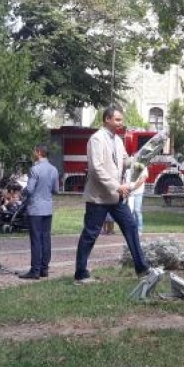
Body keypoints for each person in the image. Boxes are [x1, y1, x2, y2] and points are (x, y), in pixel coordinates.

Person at [73, 105, 150, 285]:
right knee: (90, 234)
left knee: (131, 227)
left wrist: (141, 159)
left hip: (116, 198)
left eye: (121, 120)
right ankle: (80, 274)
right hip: (99, 198)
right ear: (107, 119)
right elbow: (96, 169)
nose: (121, 123)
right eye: (117, 120)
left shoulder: (117, 140)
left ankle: (142, 268)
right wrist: (117, 187)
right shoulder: (97, 139)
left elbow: (125, 161)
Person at [19, 144, 60, 280]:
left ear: (38, 152)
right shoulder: (54, 169)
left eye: (34, 151)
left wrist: (22, 192)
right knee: (46, 238)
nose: (33, 153)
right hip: (47, 208)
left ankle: (35, 270)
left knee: (36, 239)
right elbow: (56, 190)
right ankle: (44, 269)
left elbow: (29, 189)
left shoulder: (34, 169)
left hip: (35, 208)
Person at [124, 162, 148, 237]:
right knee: (130, 211)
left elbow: (142, 179)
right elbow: (125, 178)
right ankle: (131, 229)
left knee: (137, 211)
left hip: (138, 192)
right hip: (129, 192)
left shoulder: (142, 166)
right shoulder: (129, 166)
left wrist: (133, 188)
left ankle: (139, 229)